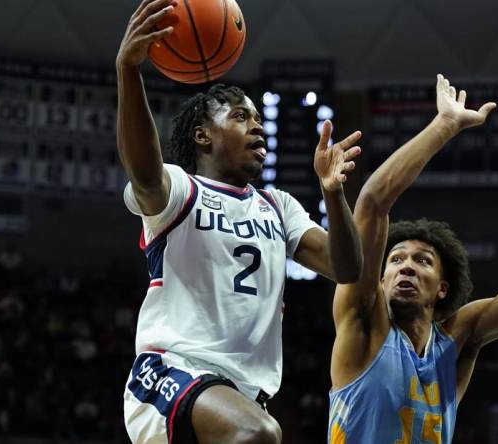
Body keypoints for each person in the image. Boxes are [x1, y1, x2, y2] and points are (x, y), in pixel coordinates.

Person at [115, 1, 363, 443]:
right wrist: (129, 72)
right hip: (171, 372)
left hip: (241, 392)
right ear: (202, 135)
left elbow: (346, 267)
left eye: (255, 117)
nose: (257, 127)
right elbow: (145, 174)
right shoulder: (181, 191)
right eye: (240, 116)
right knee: (259, 434)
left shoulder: (277, 206)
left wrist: (332, 191)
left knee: (258, 429)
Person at [327, 75, 498, 443]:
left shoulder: (458, 340)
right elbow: (372, 203)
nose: (406, 266)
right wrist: (444, 125)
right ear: (379, 280)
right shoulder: (362, 324)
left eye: (423, 261)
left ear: (442, 289)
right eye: (395, 259)